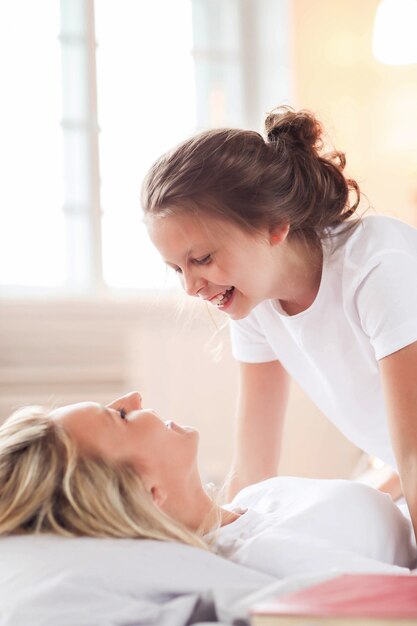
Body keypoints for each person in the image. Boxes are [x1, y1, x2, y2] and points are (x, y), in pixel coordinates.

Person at [141, 105, 417, 542]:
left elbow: (415, 453)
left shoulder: (376, 265)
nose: (192, 288)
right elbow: (252, 473)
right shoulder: (254, 300)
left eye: (203, 259)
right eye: (178, 269)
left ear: (274, 226)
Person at [0, 394, 416, 579]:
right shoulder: (267, 554)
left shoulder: (249, 503)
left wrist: (397, 470)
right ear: (147, 491)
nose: (135, 396)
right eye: (120, 416)